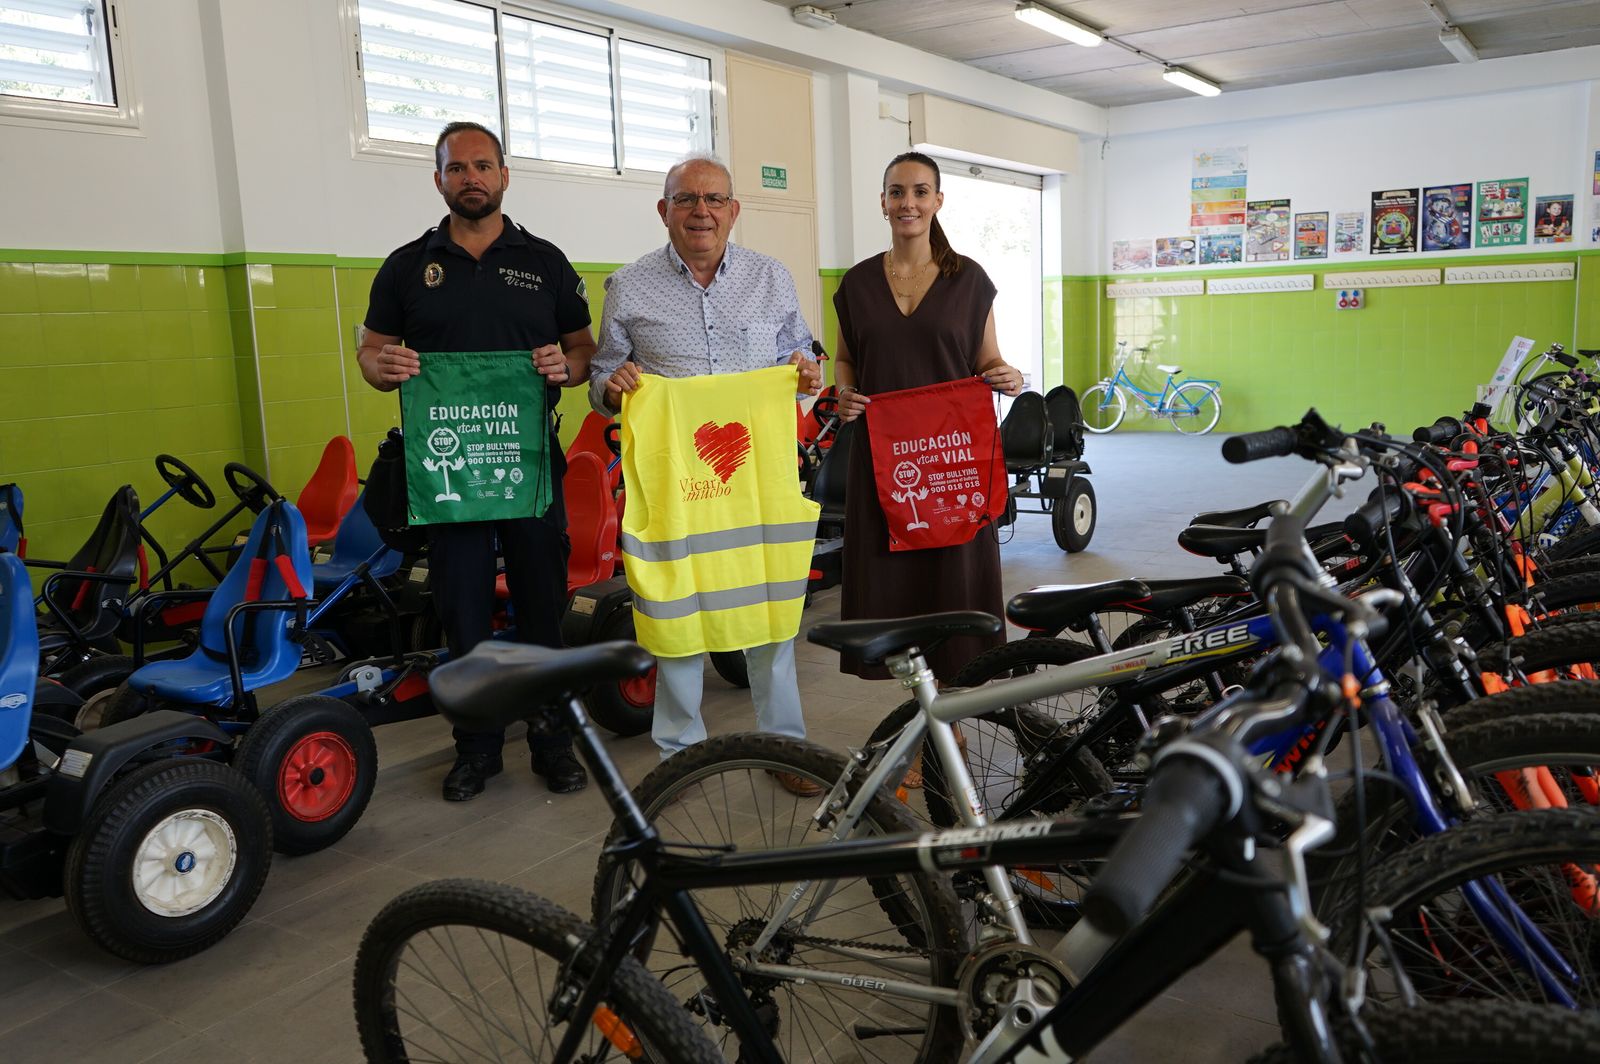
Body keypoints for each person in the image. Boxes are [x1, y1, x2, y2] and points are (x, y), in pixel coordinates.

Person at [358, 121, 596, 802]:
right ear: (439, 180)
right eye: (456, 168)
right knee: (462, 612)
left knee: (542, 609)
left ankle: (553, 743)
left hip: (530, 465)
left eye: (483, 165)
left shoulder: (545, 261)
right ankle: (476, 748)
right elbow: (372, 352)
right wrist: (386, 366)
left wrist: (565, 366)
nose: (471, 177)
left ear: (504, 177)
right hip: (448, 471)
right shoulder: (408, 265)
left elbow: (583, 352)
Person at [589, 154, 823, 793]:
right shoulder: (628, 287)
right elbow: (600, 379)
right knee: (677, 614)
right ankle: (680, 754)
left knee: (771, 614)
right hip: (678, 488)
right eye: (687, 199)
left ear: (733, 210)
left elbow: (799, 360)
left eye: (715, 199)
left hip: (756, 479)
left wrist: (806, 378)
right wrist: (614, 386)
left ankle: (787, 749)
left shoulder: (771, 279)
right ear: (664, 210)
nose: (702, 211)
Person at [832, 151, 1023, 714]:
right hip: (883, 462)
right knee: (896, 594)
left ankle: (949, 719)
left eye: (919, 192)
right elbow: (846, 360)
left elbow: (989, 359)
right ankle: (923, 717)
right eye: (896, 192)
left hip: (951, 462)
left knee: (952, 587)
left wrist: (1006, 375)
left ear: (938, 200)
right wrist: (845, 394)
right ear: (883, 201)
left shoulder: (969, 279)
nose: (907, 203)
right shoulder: (859, 282)